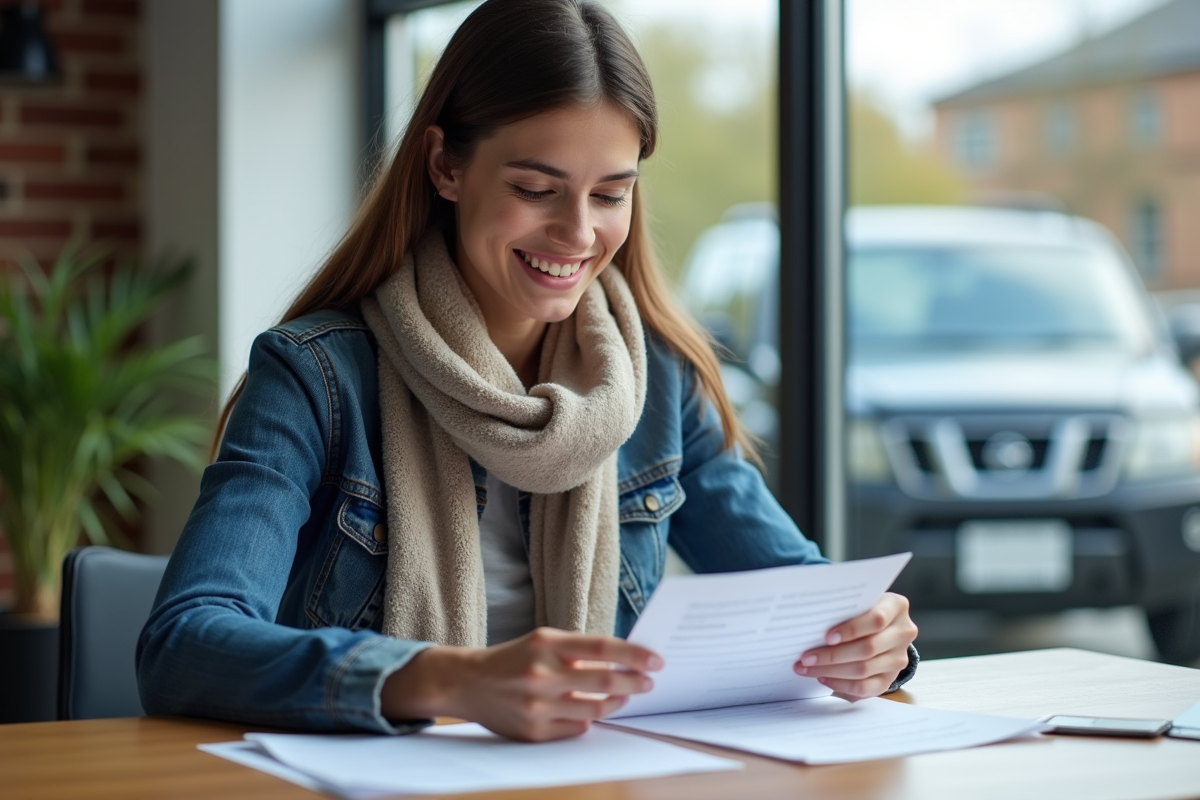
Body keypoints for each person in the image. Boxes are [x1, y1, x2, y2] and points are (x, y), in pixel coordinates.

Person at [136, 0, 918, 743]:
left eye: (611, 194)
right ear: (445, 164)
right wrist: (449, 681)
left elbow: (807, 600)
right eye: (536, 189)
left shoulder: (659, 383)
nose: (577, 232)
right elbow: (185, 643)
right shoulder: (315, 377)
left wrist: (876, 640)